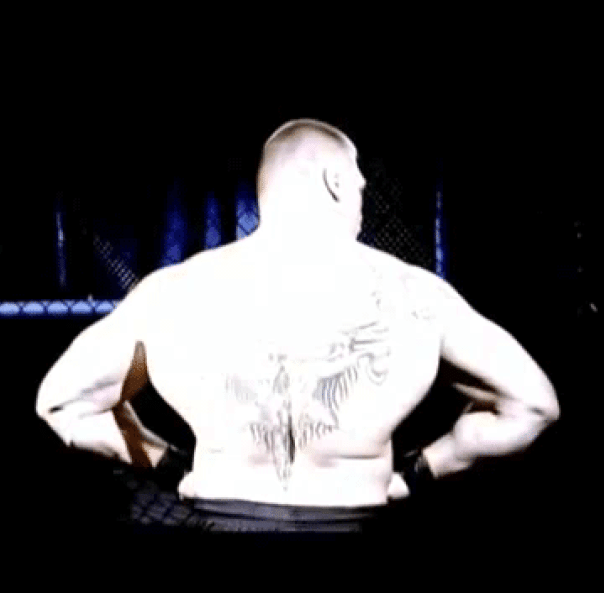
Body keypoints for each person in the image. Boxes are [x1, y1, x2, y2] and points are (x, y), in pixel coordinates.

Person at [35, 119, 561, 533]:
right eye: (359, 185)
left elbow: (62, 403)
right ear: (336, 181)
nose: (362, 198)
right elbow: (533, 405)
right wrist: (420, 471)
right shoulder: (417, 295)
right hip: (359, 519)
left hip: (221, 519)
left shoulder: (172, 293)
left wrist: (168, 463)